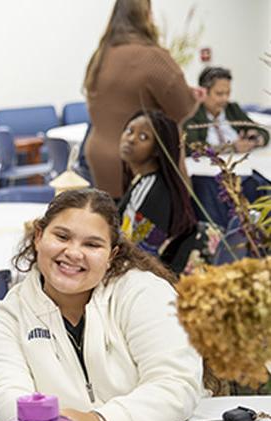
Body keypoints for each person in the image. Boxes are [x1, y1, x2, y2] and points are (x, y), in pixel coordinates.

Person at [0, 189, 206, 421]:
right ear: (38, 237)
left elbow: (176, 383)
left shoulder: (144, 293)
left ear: (112, 255)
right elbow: (4, 393)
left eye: (92, 244)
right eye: (62, 237)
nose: (73, 252)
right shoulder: (7, 317)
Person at [83, 0, 201, 199]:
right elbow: (183, 108)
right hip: (140, 161)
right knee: (154, 226)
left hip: (101, 157)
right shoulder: (152, 57)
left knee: (115, 223)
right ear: (146, 17)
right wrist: (192, 96)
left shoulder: (101, 55)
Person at [118, 109, 199, 272]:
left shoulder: (153, 191)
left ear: (157, 150)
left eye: (143, 137)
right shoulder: (146, 180)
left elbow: (137, 252)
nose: (131, 139)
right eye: (129, 131)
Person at [184, 66, 269, 154]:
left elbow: (263, 132)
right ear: (204, 92)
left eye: (228, 93)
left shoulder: (232, 109)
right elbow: (193, 147)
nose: (225, 98)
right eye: (219, 94)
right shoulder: (192, 113)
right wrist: (231, 148)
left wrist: (255, 140)